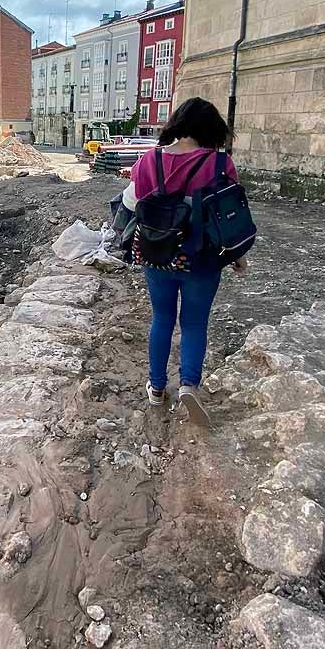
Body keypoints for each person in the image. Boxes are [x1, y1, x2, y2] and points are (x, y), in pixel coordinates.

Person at [119, 97, 247, 419]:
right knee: (194, 323)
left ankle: (157, 388)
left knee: (162, 319)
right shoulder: (221, 164)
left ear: (178, 123)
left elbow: (131, 204)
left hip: (158, 255)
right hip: (202, 258)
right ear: (210, 129)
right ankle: (189, 385)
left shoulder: (150, 160)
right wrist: (237, 255)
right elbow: (229, 215)